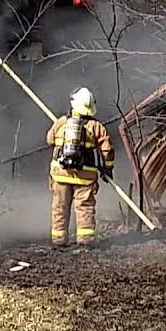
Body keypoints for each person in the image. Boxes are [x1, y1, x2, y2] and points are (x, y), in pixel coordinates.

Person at [46, 87, 114, 248]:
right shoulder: (96, 126)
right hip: (85, 176)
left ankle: (59, 239)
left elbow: (49, 140)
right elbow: (107, 149)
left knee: (60, 207)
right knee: (84, 206)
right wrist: (108, 168)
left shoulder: (61, 122)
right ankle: (85, 239)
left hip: (60, 174)